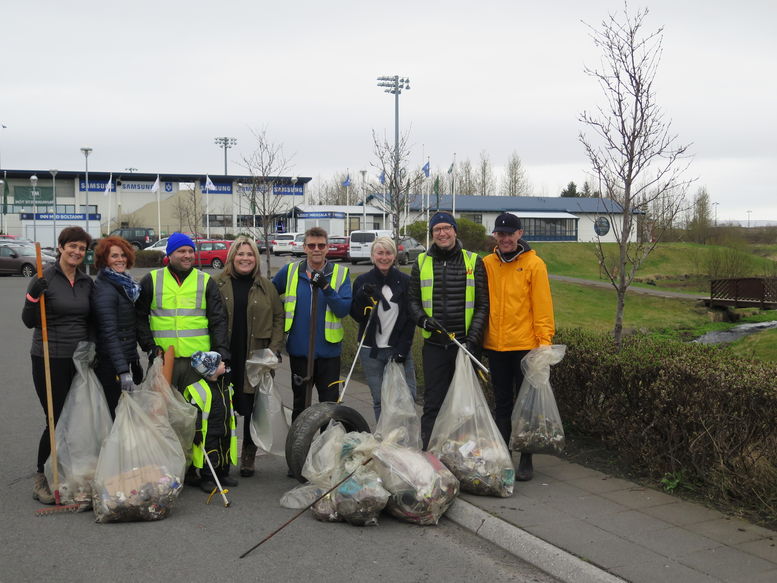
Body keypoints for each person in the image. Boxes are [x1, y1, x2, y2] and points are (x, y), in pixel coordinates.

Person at [22, 226, 93, 504]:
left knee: (76, 416)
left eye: (82, 248)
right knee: (55, 417)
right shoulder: (44, 278)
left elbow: (91, 320)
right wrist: (31, 297)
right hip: (48, 357)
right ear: (61, 247)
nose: (76, 252)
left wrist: (91, 347)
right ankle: (42, 475)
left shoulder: (87, 281)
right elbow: (29, 321)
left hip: (79, 358)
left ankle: (66, 469)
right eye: (71, 246)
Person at [408, 212, 489, 449]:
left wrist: (472, 340)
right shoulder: (421, 262)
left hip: (465, 346)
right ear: (432, 234)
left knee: (467, 405)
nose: (442, 233)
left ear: (455, 231)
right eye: (436, 230)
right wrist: (423, 320)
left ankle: (465, 455)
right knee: (433, 404)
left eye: (446, 228)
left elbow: (483, 305)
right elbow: (412, 301)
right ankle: (431, 454)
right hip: (434, 346)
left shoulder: (474, 261)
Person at [483, 212, 555, 481]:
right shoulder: (488, 263)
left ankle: (526, 456)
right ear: (495, 236)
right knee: (501, 403)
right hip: (495, 346)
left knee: (525, 406)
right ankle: (504, 455)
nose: (505, 239)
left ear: (519, 234)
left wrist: (544, 344)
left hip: (524, 346)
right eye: (500, 234)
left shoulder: (535, 265)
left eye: (509, 234)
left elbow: (542, 307)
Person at [214, 235, 284, 478]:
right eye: (240, 254)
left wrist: (273, 351)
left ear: (256, 259)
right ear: (232, 257)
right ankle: (222, 455)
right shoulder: (218, 284)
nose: (245, 258)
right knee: (223, 408)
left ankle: (248, 455)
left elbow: (278, 318)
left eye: (250, 254)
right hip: (226, 355)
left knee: (253, 407)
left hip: (256, 357)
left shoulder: (267, 287)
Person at [272, 227, 352, 420]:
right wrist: (282, 308)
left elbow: (342, 309)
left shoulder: (341, 274)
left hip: (329, 354)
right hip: (300, 352)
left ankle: (326, 447)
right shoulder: (290, 271)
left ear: (327, 248)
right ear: (304, 247)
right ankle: (300, 448)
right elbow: (270, 295)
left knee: (329, 407)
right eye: (312, 245)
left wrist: (325, 286)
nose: (316, 249)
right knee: (300, 405)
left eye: (321, 245)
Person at [136, 232, 230, 392]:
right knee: (163, 412)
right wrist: (150, 347)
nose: (187, 255)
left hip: (198, 362)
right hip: (164, 360)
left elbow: (218, 321)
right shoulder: (151, 280)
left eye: (190, 251)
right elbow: (138, 318)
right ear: (170, 254)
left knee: (197, 411)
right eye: (181, 251)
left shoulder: (206, 281)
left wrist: (222, 356)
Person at [350, 236, 417, 421]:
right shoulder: (362, 280)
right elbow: (357, 316)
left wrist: (403, 349)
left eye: (388, 253)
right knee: (380, 400)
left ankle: (403, 440)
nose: (384, 257)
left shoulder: (405, 281)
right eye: (380, 253)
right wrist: (363, 295)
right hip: (370, 350)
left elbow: (411, 318)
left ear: (394, 256)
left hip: (398, 348)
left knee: (407, 397)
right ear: (372, 256)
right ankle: (383, 442)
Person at [90, 236, 143, 418]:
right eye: (114, 256)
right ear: (105, 259)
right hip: (109, 365)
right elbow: (109, 333)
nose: (120, 259)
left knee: (122, 416)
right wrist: (122, 370)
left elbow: (127, 330)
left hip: (121, 360)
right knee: (115, 418)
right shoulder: (106, 289)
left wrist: (134, 361)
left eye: (123, 255)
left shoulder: (123, 284)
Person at [184, 351, 238, 492]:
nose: (224, 363)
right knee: (211, 454)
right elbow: (195, 412)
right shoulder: (200, 389)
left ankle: (223, 474)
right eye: (220, 363)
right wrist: (196, 430)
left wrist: (234, 420)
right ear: (212, 370)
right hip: (209, 432)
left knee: (224, 452)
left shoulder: (225, 385)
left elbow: (230, 405)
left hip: (225, 428)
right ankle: (207, 478)